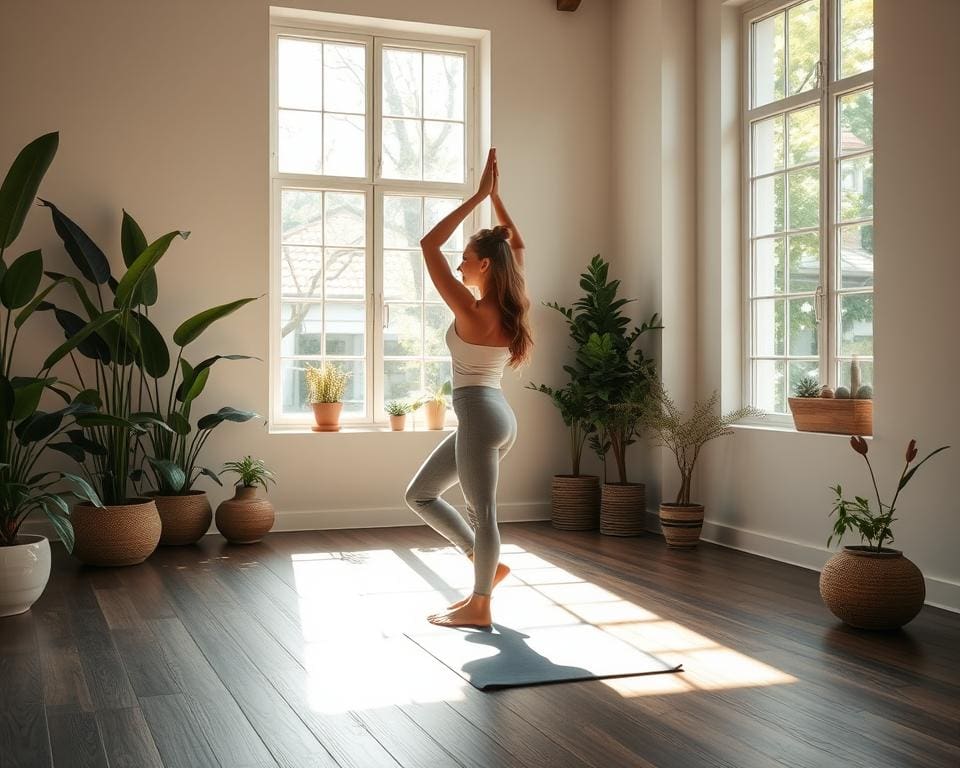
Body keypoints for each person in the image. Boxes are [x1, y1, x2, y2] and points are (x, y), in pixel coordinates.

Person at [404, 148, 533, 628]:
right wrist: (496, 202)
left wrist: (478, 195)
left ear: (483, 266)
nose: (458, 268)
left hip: (481, 418)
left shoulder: (472, 310)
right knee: (420, 494)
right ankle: (486, 569)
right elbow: (515, 245)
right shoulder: (512, 300)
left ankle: (480, 606)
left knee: (484, 513)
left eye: (466, 261)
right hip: (493, 414)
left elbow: (427, 245)